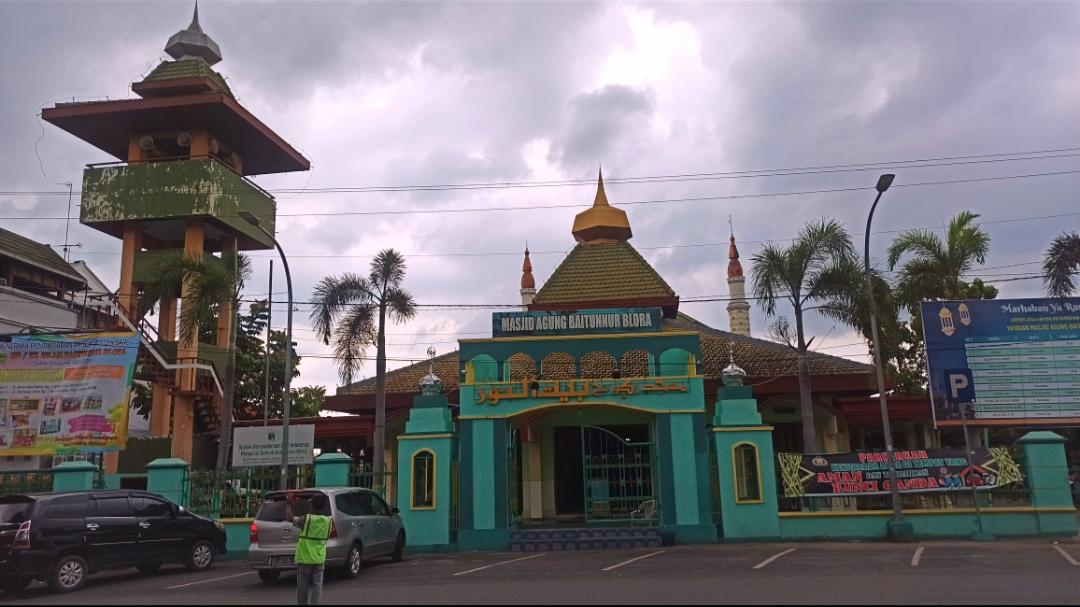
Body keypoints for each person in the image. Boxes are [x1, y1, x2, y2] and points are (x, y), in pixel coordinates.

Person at [293, 493, 332, 606]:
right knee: (317, 586)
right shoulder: (328, 521)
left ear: (313, 505)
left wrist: (288, 503)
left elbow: (289, 518)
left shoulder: (306, 519)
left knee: (302, 587)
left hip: (305, 558)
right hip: (319, 558)